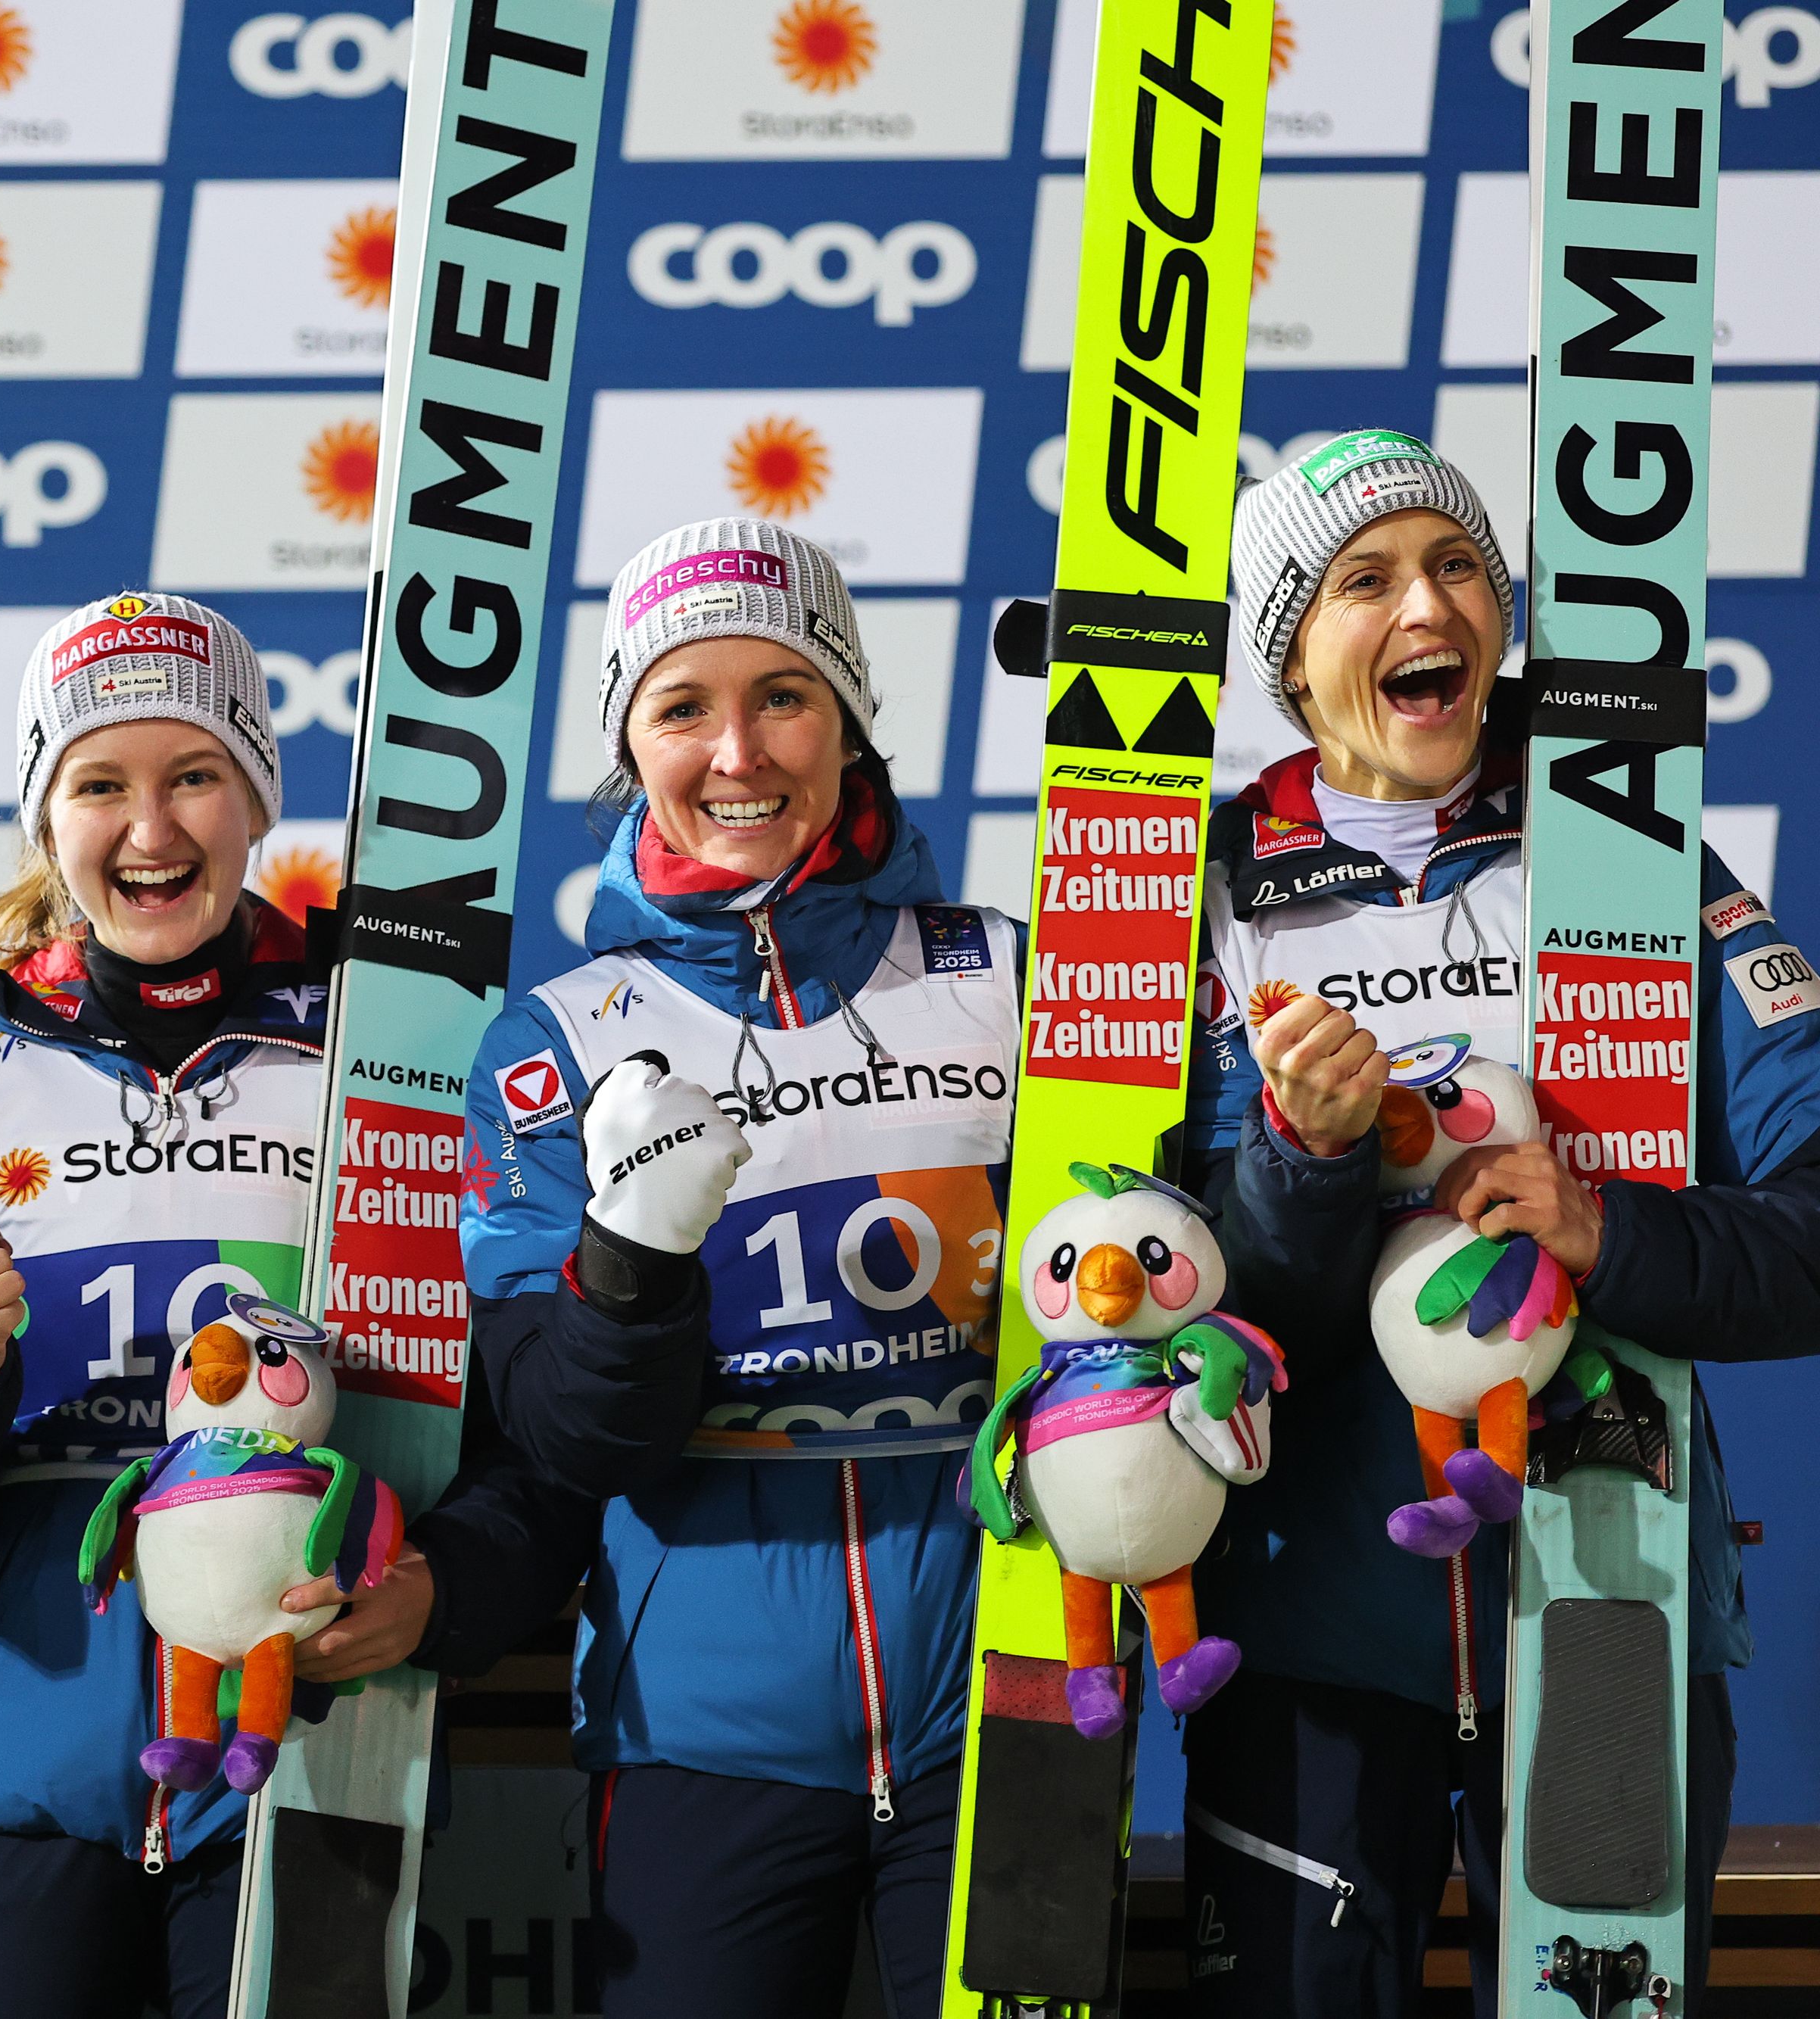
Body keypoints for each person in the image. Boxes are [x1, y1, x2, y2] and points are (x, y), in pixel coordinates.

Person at [1180, 430, 1820, 2014]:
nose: (1423, 608)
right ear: (1288, 655)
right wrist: (1302, 1169)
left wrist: (1611, 1234)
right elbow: (1150, 1326)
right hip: (1311, 1634)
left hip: (1609, 1598)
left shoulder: (1629, 868)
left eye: (1455, 564)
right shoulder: (1197, 910)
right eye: (1361, 578)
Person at [0, 592, 583, 2019]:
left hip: (314, 1772)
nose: (151, 829)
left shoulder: (384, 1073)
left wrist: (439, 1593)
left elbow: (524, 1440)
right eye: (100, 784)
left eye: (194, 778)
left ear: (256, 804)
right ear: (47, 821)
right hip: (16, 1786)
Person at [460, 520, 1026, 2018]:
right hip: (696, 1729)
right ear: (627, 740)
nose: (734, 751)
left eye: (781, 694)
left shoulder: (998, 975)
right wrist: (631, 1263)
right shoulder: (556, 1040)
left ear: (845, 718)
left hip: (1007, 1700)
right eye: (680, 706)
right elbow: (574, 1436)